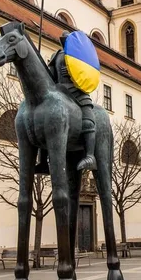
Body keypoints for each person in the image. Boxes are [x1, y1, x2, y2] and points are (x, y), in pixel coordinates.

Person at [35, 32, 97, 174]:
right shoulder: (56, 56)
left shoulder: (80, 54)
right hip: (59, 91)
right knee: (43, 121)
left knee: (88, 120)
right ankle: (43, 161)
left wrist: (72, 72)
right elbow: (51, 77)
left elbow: (86, 72)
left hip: (77, 91)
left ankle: (90, 156)